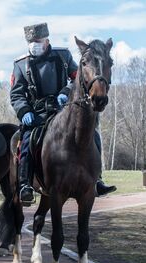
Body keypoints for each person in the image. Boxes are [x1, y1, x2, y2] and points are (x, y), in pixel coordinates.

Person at [10, 22, 116, 205]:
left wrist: (65, 92)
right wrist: (24, 110)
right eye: (31, 41)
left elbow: (78, 76)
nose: (34, 44)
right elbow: (16, 93)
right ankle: (25, 184)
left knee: (93, 135)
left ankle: (97, 179)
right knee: (26, 139)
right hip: (37, 113)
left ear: (46, 40)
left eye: (38, 40)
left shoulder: (63, 55)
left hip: (64, 109)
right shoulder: (20, 64)